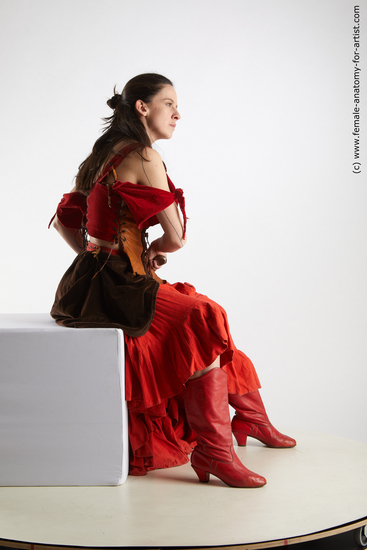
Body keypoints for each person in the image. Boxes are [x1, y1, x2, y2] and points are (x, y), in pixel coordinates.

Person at [50, 73, 296, 488]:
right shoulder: (145, 156)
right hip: (119, 286)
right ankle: (216, 452)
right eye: (169, 104)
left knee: (205, 318)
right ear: (142, 108)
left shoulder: (101, 154)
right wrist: (150, 251)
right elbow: (177, 236)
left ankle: (252, 421)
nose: (178, 113)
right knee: (205, 316)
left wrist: (99, 257)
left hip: (88, 286)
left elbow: (63, 221)